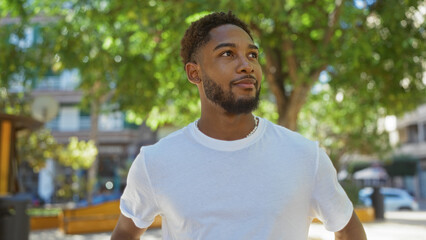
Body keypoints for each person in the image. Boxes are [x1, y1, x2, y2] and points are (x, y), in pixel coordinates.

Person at [111, 11, 367, 240]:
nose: (247, 65)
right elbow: (124, 233)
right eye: (227, 54)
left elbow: (347, 229)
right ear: (194, 73)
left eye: (252, 55)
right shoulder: (156, 161)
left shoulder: (305, 156)